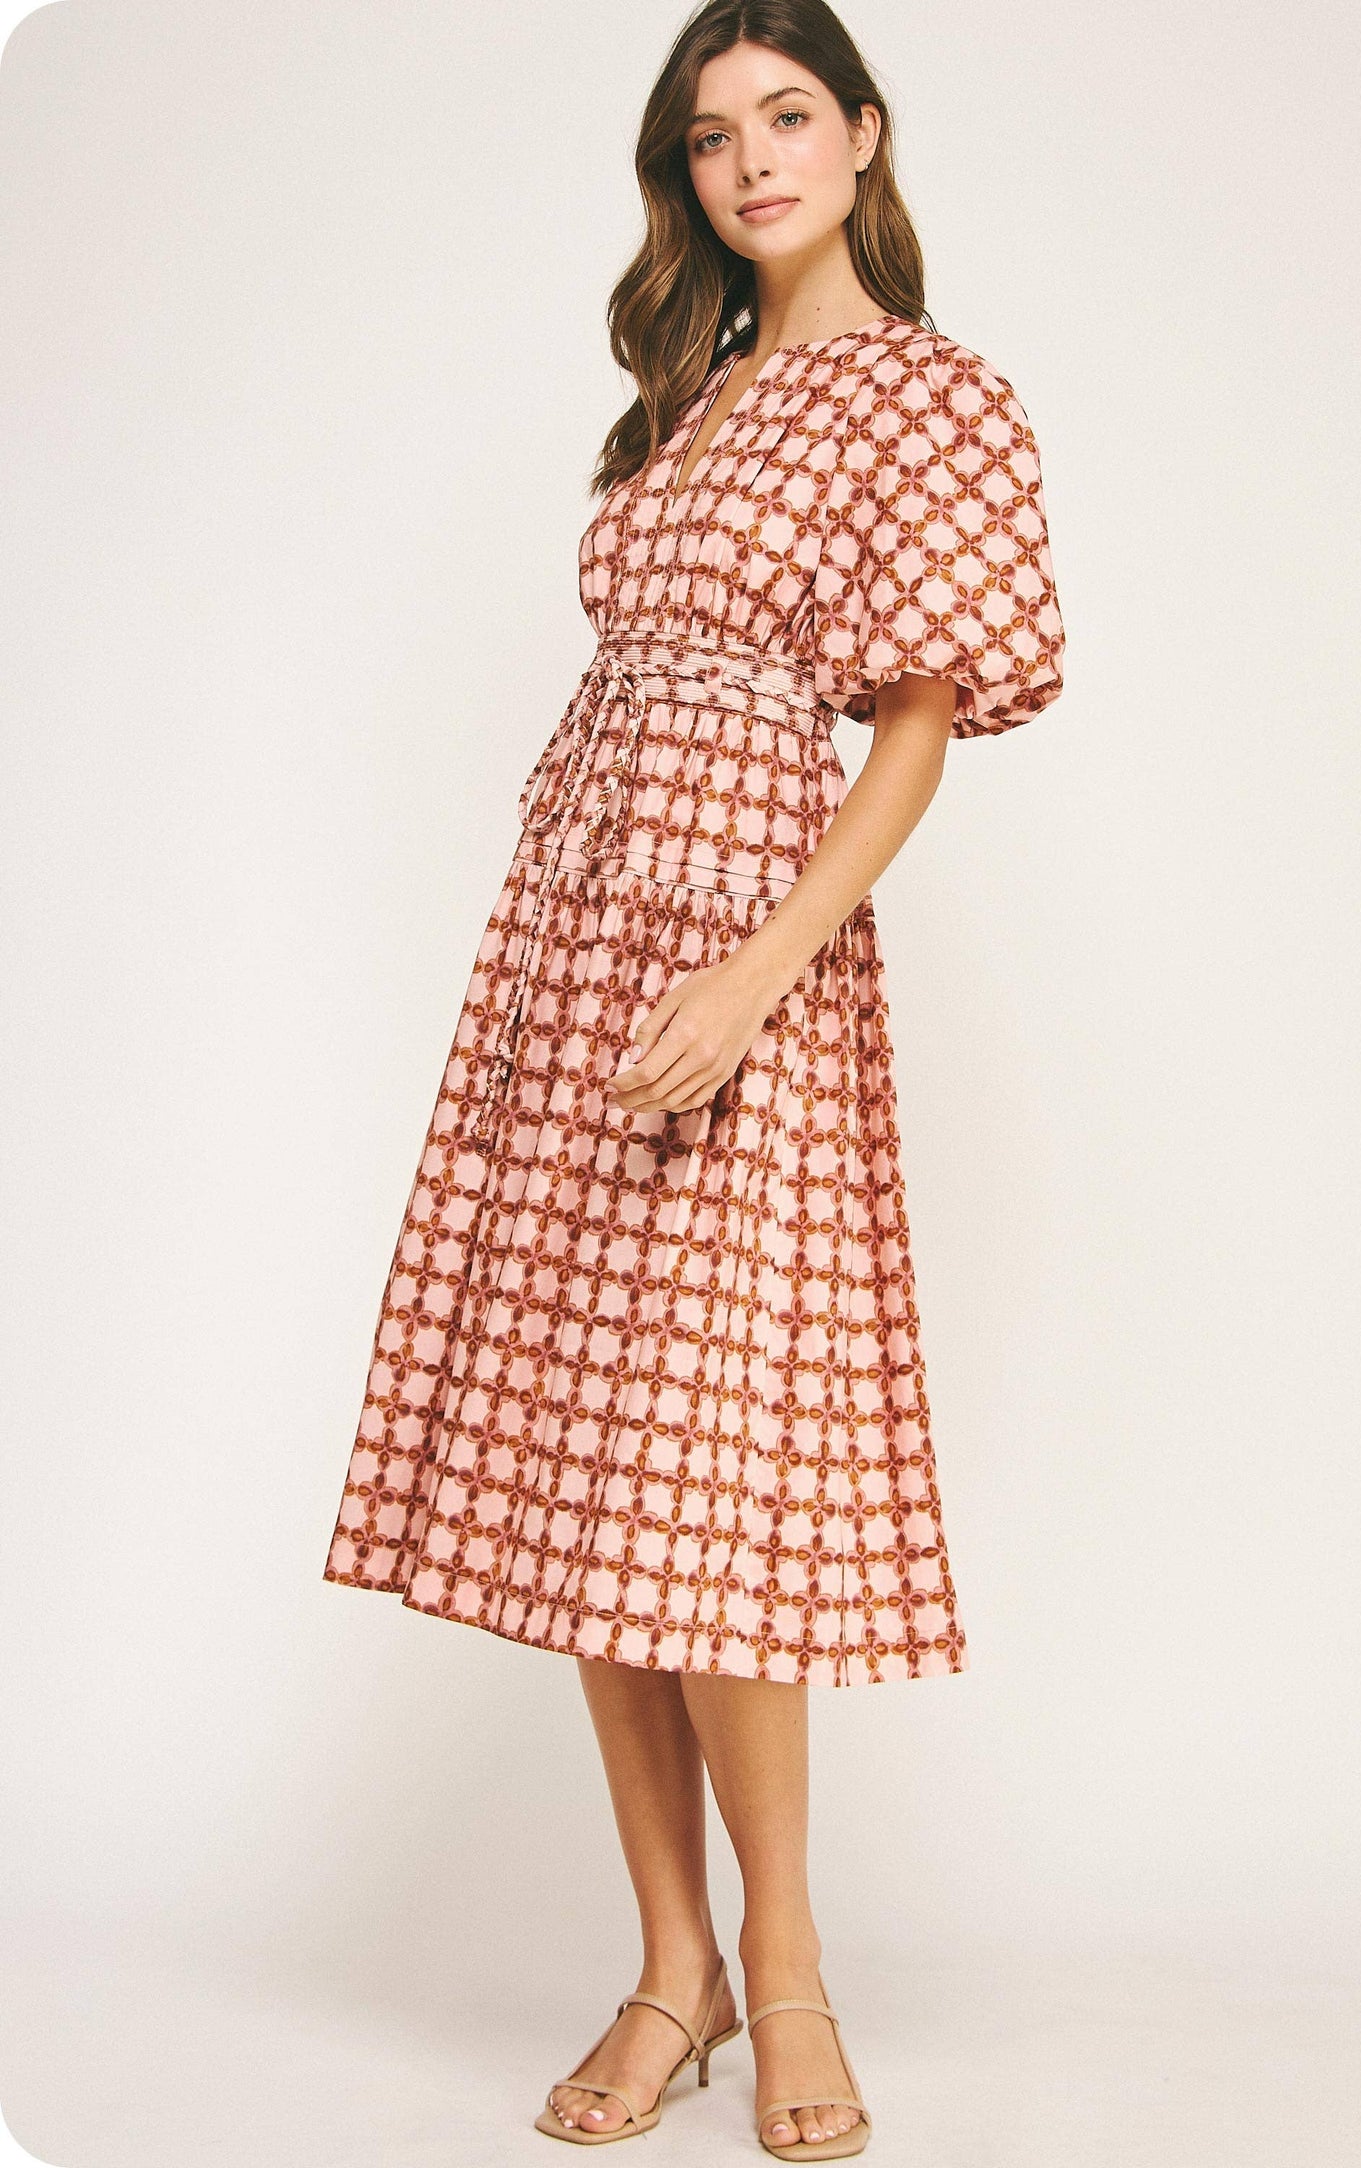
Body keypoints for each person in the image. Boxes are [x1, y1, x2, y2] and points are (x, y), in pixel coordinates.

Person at [322, 0, 1065, 2155]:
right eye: (711, 134)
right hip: (577, 941)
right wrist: (594, 955)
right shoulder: (690, 397)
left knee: (703, 1477)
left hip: (748, 947)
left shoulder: (928, 393)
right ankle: (677, 1968)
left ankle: (792, 1963)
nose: (751, 162)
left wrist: (756, 971)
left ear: (864, 135)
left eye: (787, 115)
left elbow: (914, 731)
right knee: (584, 1464)